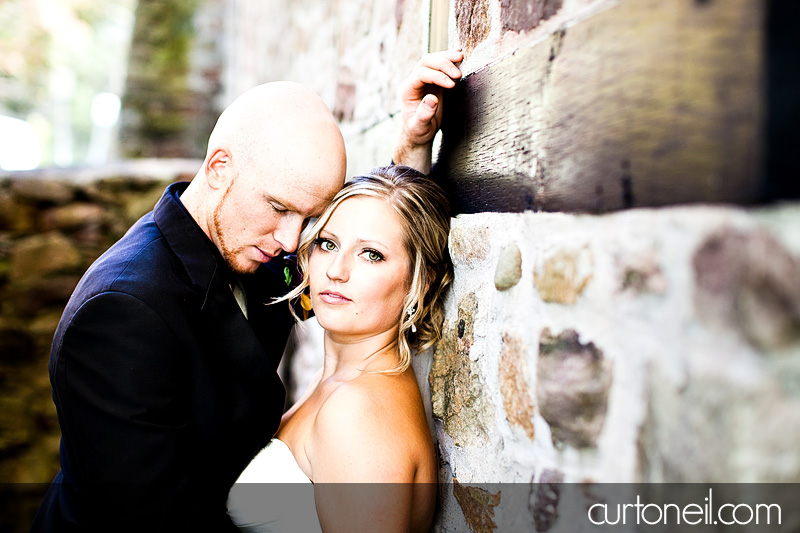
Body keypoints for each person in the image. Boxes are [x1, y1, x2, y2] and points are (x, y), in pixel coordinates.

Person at [31, 49, 463, 532]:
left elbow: (357, 278)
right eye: (279, 208)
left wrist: (409, 157)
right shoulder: (122, 313)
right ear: (219, 169)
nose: (291, 242)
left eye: (310, 223)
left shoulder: (251, 246)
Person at [227, 164, 453, 533]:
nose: (336, 269)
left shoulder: (358, 413)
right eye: (327, 244)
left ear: (420, 282)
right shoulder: (344, 377)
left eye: (371, 255)